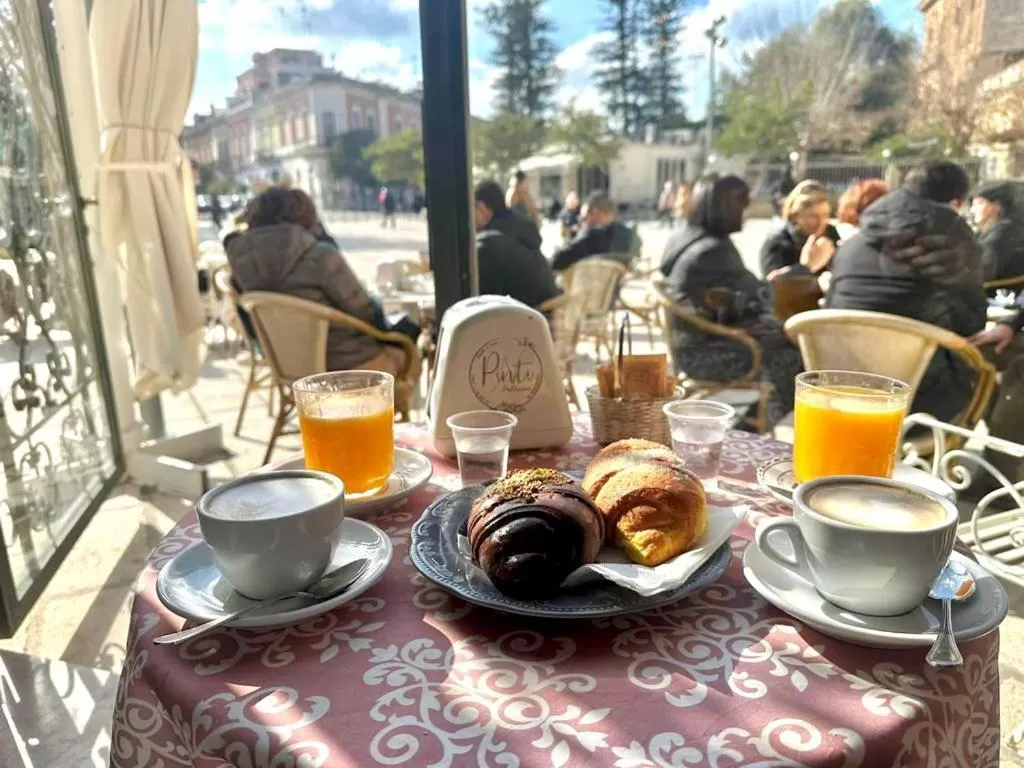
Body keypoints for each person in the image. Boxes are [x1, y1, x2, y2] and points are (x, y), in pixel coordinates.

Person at [826, 168, 986, 423]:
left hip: (835, 392)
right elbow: (973, 324)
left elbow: (830, 307)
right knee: (985, 373)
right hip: (916, 404)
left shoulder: (853, 244)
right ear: (955, 203)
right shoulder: (955, 244)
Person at [226, 186, 417, 376]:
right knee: (411, 350)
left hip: (288, 367)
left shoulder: (239, 264)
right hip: (348, 364)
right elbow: (364, 310)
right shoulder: (320, 257)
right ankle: (397, 395)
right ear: (306, 216)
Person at [659, 174, 803, 424]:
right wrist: (805, 268)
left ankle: (752, 421)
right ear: (725, 206)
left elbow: (737, 295)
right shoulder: (714, 250)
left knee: (779, 339)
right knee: (792, 356)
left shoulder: (684, 236)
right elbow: (762, 297)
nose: (745, 213)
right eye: (741, 206)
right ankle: (753, 429)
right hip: (703, 355)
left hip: (687, 344)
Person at [475, 179, 560, 309]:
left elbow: (483, 306)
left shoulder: (488, 245)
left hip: (526, 317)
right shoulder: (520, 231)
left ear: (482, 209)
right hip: (548, 314)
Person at [760, 183, 841, 278]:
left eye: (825, 215)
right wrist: (806, 267)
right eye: (813, 216)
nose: (821, 222)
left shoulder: (830, 233)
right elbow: (773, 282)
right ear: (795, 216)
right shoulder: (777, 244)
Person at [550, 191, 642, 272]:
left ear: (595, 212)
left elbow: (556, 262)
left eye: (583, 218)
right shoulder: (632, 238)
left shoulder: (589, 238)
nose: (581, 222)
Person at [971, 181, 1024, 282]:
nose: (972, 210)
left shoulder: (1003, 232)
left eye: (979, 204)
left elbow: (985, 269)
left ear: (996, 206)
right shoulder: (991, 229)